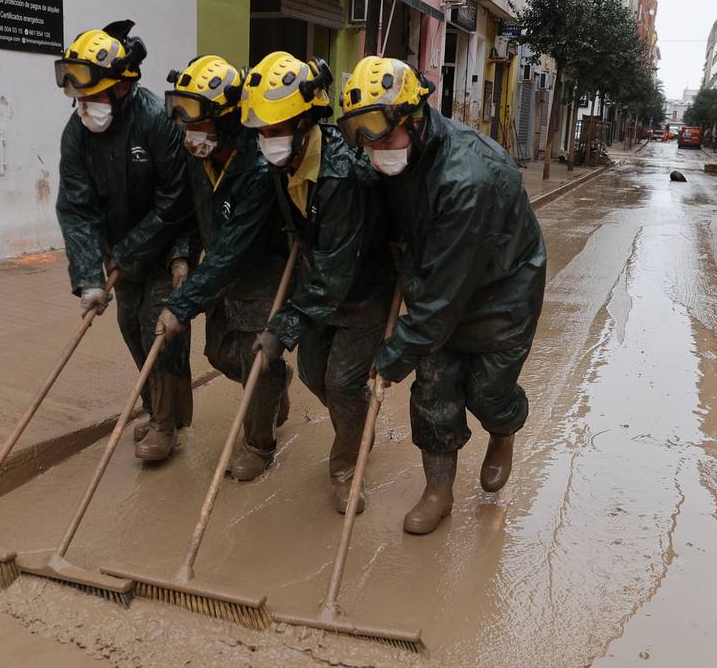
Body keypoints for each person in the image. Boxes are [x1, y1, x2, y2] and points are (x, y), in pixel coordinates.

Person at [338, 57, 547, 535]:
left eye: (382, 137)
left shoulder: (467, 178)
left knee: (486, 392)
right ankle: (439, 490)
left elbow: (441, 303)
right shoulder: (395, 152)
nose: (373, 151)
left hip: (502, 291)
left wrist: (391, 356)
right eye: (363, 139)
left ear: (414, 120)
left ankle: (505, 426)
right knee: (433, 388)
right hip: (436, 277)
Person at [239, 51, 396, 514]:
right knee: (311, 373)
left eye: (275, 129)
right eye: (261, 131)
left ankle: (347, 466)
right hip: (317, 286)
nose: (266, 140)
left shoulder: (342, 173)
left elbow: (336, 272)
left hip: (361, 290)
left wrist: (279, 329)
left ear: (305, 122)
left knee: (343, 382)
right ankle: (359, 425)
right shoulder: (281, 162)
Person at [53, 20, 195, 462]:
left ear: (121, 88)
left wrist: (139, 252)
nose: (83, 105)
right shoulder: (77, 133)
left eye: (92, 95)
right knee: (133, 332)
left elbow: (176, 198)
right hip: (122, 257)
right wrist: (88, 276)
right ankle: (155, 412)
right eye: (77, 96)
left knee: (162, 335)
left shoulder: (155, 121)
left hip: (165, 247)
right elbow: (76, 207)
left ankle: (167, 426)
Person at [156, 55, 293, 481]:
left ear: (227, 118)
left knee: (257, 360)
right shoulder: (200, 158)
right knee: (218, 354)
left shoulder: (256, 168)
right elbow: (187, 215)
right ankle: (275, 385)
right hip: (219, 273)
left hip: (261, 273)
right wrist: (181, 255)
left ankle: (259, 444)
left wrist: (182, 305)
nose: (186, 127)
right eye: (181, 113)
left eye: (196, 116)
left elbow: (236, 249)